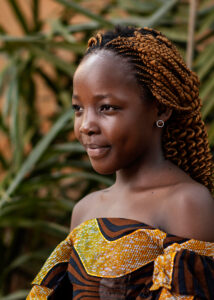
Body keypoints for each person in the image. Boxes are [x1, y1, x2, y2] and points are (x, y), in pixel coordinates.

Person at [27, 27, 214, 299]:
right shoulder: (84, 210)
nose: (86, 126)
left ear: (160, 109)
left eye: (107, 108)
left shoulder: (187, 203)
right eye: (78, 108)